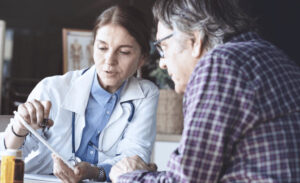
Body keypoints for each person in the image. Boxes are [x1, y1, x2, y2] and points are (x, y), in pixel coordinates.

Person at [109, 0, 300, 182]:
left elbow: (186, 180)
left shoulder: (221, 63)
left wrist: (126, 176)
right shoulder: (277, 59)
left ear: (195, 40)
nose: (163, 63)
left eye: (163, 47)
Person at [0, 5, 159, 182]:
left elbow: (133, 162)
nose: (109, 61)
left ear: (142, 59)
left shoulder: (145, 94)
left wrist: (92, 172)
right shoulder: (52, 88)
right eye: (102, 48)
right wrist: (19, 129)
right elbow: (8, 156)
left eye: (124, 52)